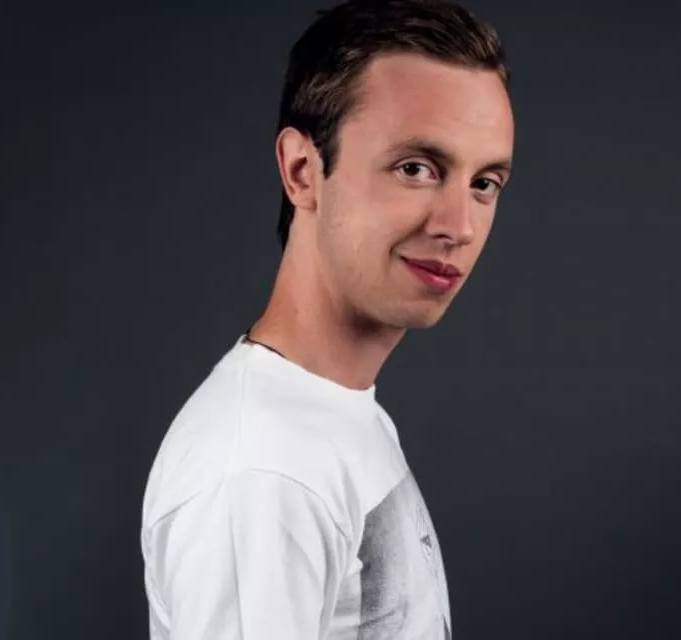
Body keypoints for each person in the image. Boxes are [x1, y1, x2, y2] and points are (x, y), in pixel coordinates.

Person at [139, 0, 515, 637]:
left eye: (485, 182)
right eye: (415, 169)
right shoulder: (262, 472)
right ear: (303, 172)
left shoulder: (331, 415)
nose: (460, 226)